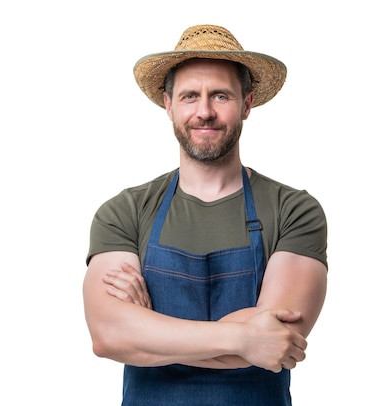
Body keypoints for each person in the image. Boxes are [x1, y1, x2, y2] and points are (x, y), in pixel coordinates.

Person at [82, 24, 328, 405]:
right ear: (168, 105)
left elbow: (277, 341)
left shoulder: (293, 210)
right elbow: (108, 336)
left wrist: (148, 332)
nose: (205, 112)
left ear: (247, 103)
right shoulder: (124, 212)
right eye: (190, 96)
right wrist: (244, 338)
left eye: (220, 95)